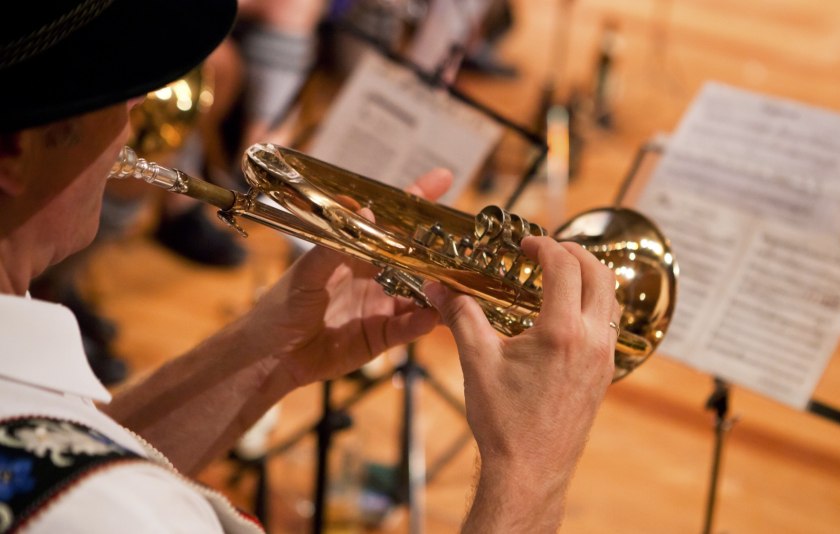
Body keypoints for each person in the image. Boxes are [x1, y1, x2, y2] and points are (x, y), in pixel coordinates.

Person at [0, 1, 620, 532]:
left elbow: (63, 451)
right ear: (13, 151)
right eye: (111, 89)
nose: (137, 105)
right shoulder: (117, 514)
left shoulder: (74, 474)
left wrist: (265, 354)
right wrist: (528, 470)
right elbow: (81, 489)